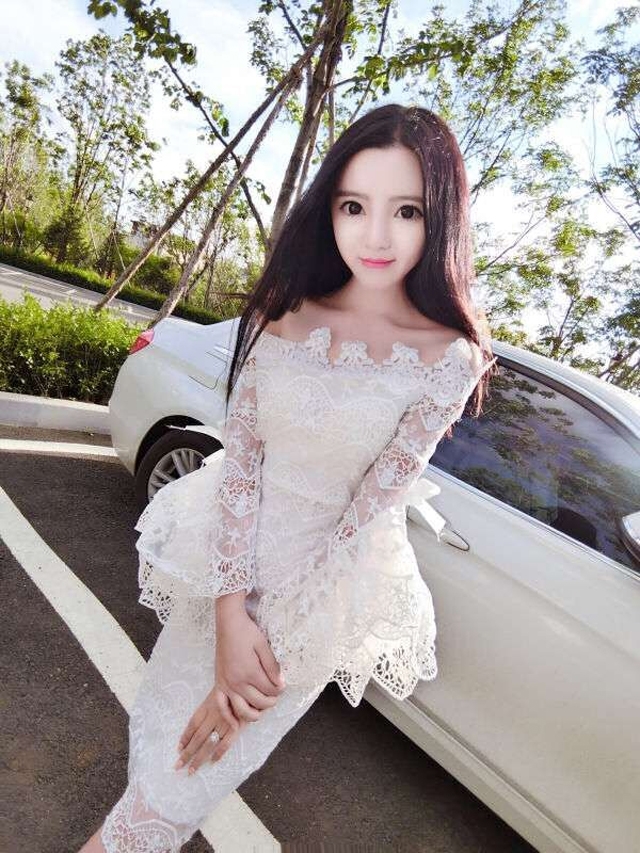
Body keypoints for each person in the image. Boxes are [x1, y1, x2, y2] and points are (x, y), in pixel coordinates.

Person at [80, 102, 498, 852]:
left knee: (174, 795)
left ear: (442, 218)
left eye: (406, 210)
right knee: (156, 763)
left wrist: (258, 650)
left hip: (312, 608)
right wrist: (229, 617)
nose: (376, 235)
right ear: (328, 207)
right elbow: (240, 465)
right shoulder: (283, 311)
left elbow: (365, 519)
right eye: (353, 206)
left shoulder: (448, 357)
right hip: (224, 574)